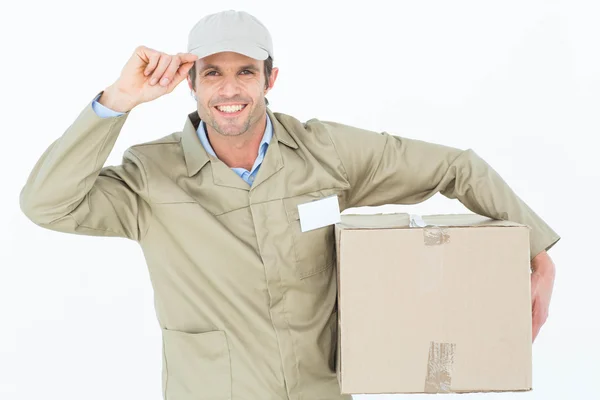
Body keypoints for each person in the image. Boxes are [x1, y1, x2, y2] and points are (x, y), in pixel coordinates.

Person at [19, 9, 560, 400]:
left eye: (245, 71)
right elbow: (46, 204)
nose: (229, 90)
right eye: (212, 72)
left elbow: (454, 165)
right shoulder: (150, 177)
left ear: (270, 78)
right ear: (190, 83)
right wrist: (118, 100)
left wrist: (538, 251)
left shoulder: (326, 154)